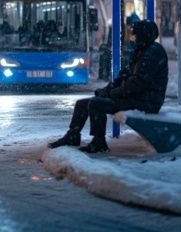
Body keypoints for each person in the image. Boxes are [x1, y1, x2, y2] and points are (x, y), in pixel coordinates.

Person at [48, 20, 168, 153]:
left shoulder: (153, 52)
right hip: (136, 97)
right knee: (82, 104)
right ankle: (72, 135)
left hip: (147, 101)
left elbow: (137, 84)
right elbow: (123, 76)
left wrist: (112, 93)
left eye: (137, 35)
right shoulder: (141, 50)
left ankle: (99, 142)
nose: (134, 38)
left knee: (96, 104)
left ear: (145, 35)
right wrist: (106, 90)